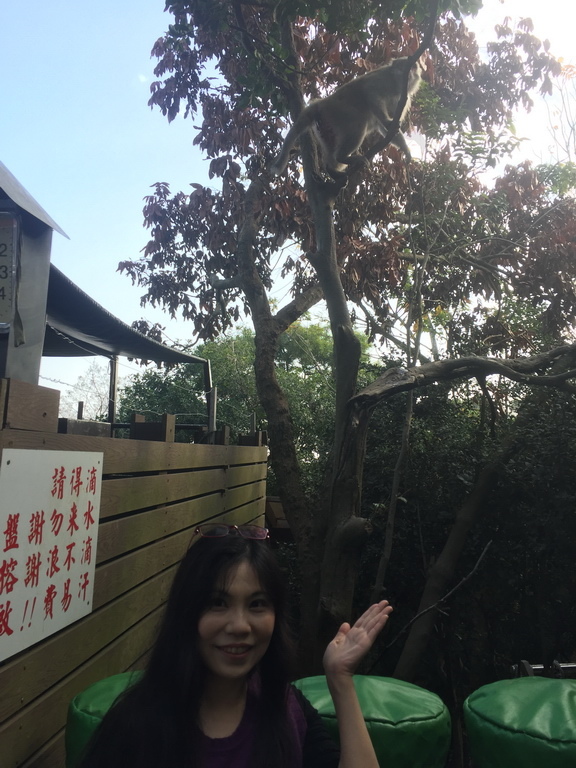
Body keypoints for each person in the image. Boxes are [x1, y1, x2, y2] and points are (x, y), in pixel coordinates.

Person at [79, 523, 393, 768]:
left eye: (257, 604)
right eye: (218, 603)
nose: (240, 626)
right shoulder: (134, 727)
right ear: (186, 612)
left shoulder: (288, 710)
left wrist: (340, 679)